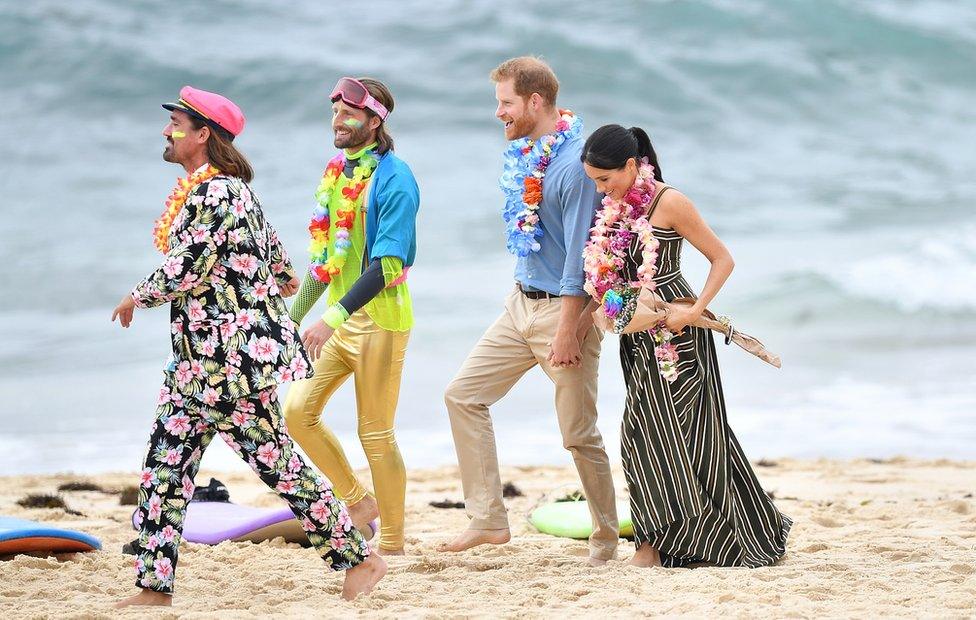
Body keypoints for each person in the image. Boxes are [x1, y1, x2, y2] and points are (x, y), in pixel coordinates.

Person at [110, 86, 385, 607]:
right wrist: (251, 286)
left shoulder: (218, 194)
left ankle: (360, 559)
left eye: (175, 124)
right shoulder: (228, 193)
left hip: (228, 366)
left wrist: (135, 296)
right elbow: (281, 269)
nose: (165, 132)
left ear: (203, 135)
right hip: (199, 364)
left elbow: (187, 265)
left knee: (276, 467)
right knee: (166, 469)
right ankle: (152, 588)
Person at [580, 124, 792, 568]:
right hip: (638, 331)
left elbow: (723, 258)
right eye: (595, 181)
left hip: (679, 333)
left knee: (692, 435)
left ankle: (654, 548)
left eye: (605, 179)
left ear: (633, 166)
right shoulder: (614, 207)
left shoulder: (670, 201)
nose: (601, 189)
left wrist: (695, 312)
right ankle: (658, 542)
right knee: (642, 435)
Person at [441, 57, 618, 565]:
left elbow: (582, 258)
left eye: (506, 103)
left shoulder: (575, 169)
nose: (499, 113)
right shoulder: (532, 153)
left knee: (577, 434)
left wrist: (569, 332)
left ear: (535, 102)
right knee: (463, 396)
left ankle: (605, 538)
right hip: (519, 304)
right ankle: (489, 520)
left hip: (564, 316)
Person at [283, 77, 419, 556]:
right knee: (297, 413)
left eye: (349, 114)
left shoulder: (395, 178)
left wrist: (331, 318)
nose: (338, 122)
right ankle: (359, 503)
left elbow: (388, 265)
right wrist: (292, 315)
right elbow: (328, 262)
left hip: (380, 322)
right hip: (339, 323)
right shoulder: (339, 172)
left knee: (375, 433)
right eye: (335, 113)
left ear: (375, 119)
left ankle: (396, 544)